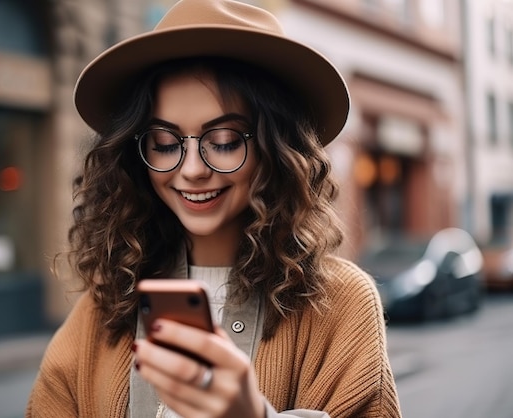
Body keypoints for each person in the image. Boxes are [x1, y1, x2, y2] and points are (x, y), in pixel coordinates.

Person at [26, 0, 402, 417]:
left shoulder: (342, 303)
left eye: (223, 141)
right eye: (165, 144)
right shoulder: (104, 307)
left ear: (277, 150)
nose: (191, 170)